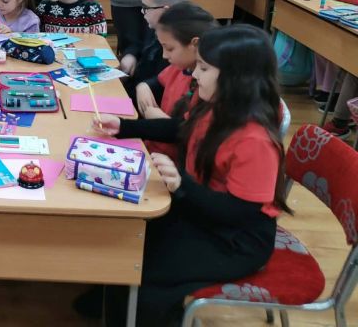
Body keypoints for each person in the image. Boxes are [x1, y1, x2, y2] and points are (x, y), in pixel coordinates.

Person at [91, 24, 289, 326]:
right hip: (199, 213)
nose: (194, 74)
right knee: (122, 239)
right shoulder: (215, 103)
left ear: (237, 77)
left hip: (234, 240)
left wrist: (182, 185)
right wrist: (125, 126)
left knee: (137, 265)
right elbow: (181, 128)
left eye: (204, 68)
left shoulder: (255, 140)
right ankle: (110, 301)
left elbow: (240, 212)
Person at [135, 2, 218, 159]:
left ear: (194, 44)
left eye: (170, 48)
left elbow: (188, 132)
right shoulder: (179, 68)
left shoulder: (208, 86)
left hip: (170, 161)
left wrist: (158, 118)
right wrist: (143, 86)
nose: (164, 55)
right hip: (152, 150)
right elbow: (158, 82)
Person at [122, 0, 191, 96]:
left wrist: (144, 86)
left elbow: (165, 84)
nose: (142, 11)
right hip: (133, 87)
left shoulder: (183, 43)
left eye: (146, 7)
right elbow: (138, 43)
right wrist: (131, 55)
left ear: (166, 10)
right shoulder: (154, 24)